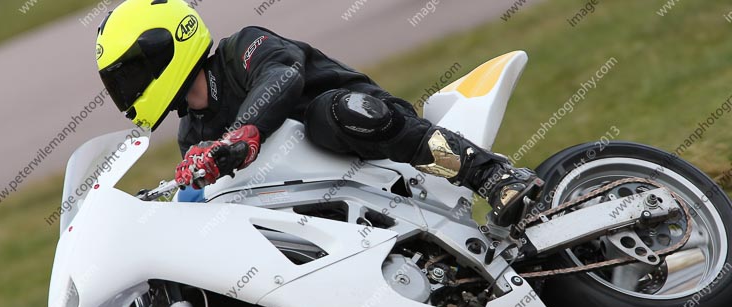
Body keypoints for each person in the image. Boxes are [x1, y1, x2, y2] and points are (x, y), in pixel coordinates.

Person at [95, 0, 541, 225]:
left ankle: (492, 175)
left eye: (131, 74)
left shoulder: (242, 48)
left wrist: (241, 135)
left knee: (332, 114)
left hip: (371, 135)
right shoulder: (192, 133)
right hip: (324, 201)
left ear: (164, 50)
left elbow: (282, 77)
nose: (128, 90)